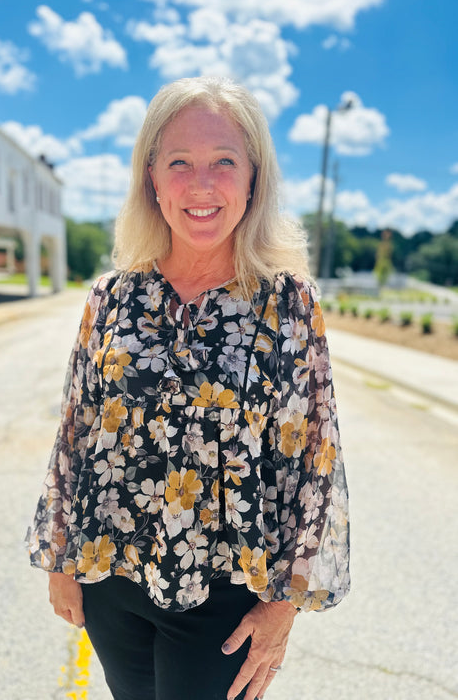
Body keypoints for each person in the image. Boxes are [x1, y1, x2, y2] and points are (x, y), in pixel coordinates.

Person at [26, 76, 350, 700]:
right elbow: (76, 434)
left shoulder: (289, 305)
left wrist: (283, 607)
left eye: (224, 161)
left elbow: (318, 459)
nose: (201, 184)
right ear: (151, 176)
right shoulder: (112, 297)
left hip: (223, 597)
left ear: (253, 178)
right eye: (180, 162)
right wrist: (62, 562)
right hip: (110, 578)